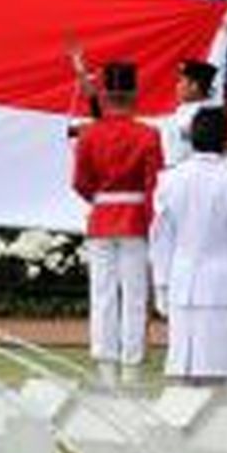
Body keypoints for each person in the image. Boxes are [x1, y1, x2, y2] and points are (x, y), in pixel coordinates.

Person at [73, 62, 164, 388]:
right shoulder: (148, 134)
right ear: (134, 94)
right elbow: (155, 185)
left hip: (101, 218)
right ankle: (131, 367)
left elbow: (80, 182)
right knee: (136, 295)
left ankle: (106, 367)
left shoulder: (89, 134)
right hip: (136, 218)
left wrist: (101, 200)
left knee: (103, 296)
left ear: (105, 95)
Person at [151, 108, 227, 387]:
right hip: (223, 282)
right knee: (219, 371)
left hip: (182, 281)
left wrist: (161, 284)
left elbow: (161, 238)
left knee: (183, 369)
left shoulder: (169, 180)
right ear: (225, 139)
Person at [161, 59, 218, 168]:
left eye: (181, 81)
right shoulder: (184, 110)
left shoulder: (205, 114)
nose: (177, 86)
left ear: (194, 86)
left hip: (193, 171)